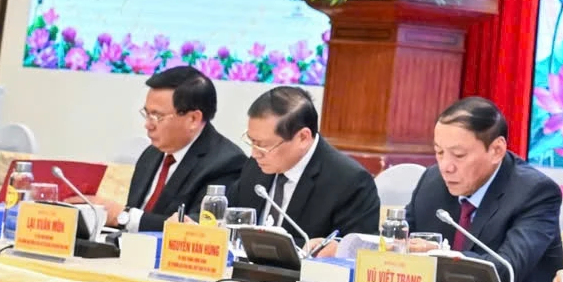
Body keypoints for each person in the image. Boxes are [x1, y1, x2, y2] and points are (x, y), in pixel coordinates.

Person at [406, 97, 563, 282]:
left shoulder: (535, 193)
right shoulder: (432, 182)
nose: (446, 167)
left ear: (496, 150)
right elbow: (400, 242)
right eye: (439, 152)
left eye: (459, 155)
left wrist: (444, 256)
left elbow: (507, 270)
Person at [235, 86, 377, 248]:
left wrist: (329, 250)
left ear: (303, 137)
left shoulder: (350, 182)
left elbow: (356, 252)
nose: (254, 154)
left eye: (263, 145)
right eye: (252, 141)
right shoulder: (256, 165)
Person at [125, 65, 247, 231]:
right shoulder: (152, 153)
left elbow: (199, 227)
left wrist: (128, 218)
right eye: (147, 114)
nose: (148, 125)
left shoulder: (226, 162)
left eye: (157, 116)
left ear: (193, 119)